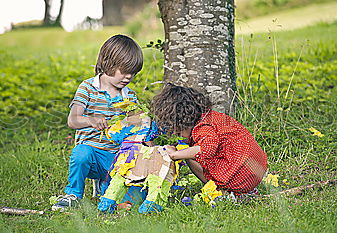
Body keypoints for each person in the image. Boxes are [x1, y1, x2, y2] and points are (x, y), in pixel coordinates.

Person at [52, 34, 143, 211]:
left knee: (132, 197)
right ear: (109, 63)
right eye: (124, 71)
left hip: (118, 159)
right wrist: (91, 120)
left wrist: (136, 121)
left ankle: (105, 187)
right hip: (93, 153)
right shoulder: (88, 88)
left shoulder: (129, 95)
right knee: (81, 153)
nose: (128, 77)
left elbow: (137, 124)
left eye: (133, 72)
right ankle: (73, 194)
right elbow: (73, 120)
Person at [151, 83, 268, 198]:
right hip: (255, 169)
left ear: (183, 122)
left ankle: (221, 192)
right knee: (189, 149)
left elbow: (206, 150)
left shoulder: (203, 128)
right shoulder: (211, 117)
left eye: (178, 132)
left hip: (240, 175)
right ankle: (241, 190)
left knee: (189, 153)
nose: (178, 136)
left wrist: (176, 154)